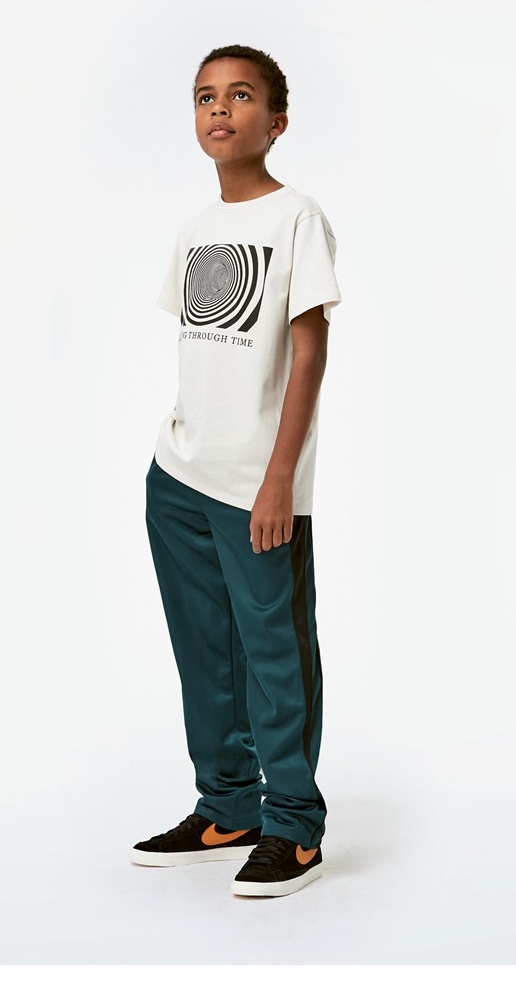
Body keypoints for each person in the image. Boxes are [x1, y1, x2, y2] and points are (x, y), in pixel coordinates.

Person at [130, 45, 342, 898]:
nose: (218, 109)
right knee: (205, 656)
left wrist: (280, 476)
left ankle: (293, 825)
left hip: (257, 483)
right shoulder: (195, 230)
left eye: (240, 95)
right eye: (204, 96)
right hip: (179, 475)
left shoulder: (297, 219)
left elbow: (308, 351)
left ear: (276, 121)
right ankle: (228, 808)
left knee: (274, 655)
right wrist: (173, 460)